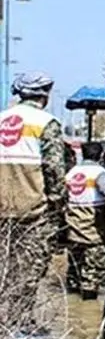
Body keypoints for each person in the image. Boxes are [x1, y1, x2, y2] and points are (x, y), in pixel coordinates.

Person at [0, 73, 71, 321]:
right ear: (45, 95)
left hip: (2, 213)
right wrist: (58, 202)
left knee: (4, 272)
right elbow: (54, 169)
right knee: (28, 274)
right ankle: (18, 326)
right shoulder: (45, 123)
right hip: (32, 213)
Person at [64, 141, 105, 299]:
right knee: (95, 264)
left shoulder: (71, 173)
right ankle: (88, 300)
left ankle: (72, 297)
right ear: (101, 155)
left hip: (73, 225)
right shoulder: (99, 172)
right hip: (92, 227)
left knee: (75, 263)